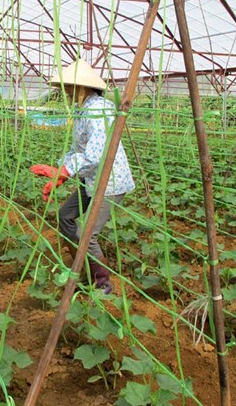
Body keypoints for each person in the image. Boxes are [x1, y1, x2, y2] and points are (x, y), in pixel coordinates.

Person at [30, 59, 135, 294]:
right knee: (66, 216)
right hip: (91, 179)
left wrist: (65, 172)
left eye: (69, 86)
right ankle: (83, 266)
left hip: (110, 182)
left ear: (82, 87)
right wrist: (59, 173)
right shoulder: (83, 109)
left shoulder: (99, 109)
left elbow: (96, 154)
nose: (66, 91)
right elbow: (78, 150)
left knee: (89, 234)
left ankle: (103, 283)